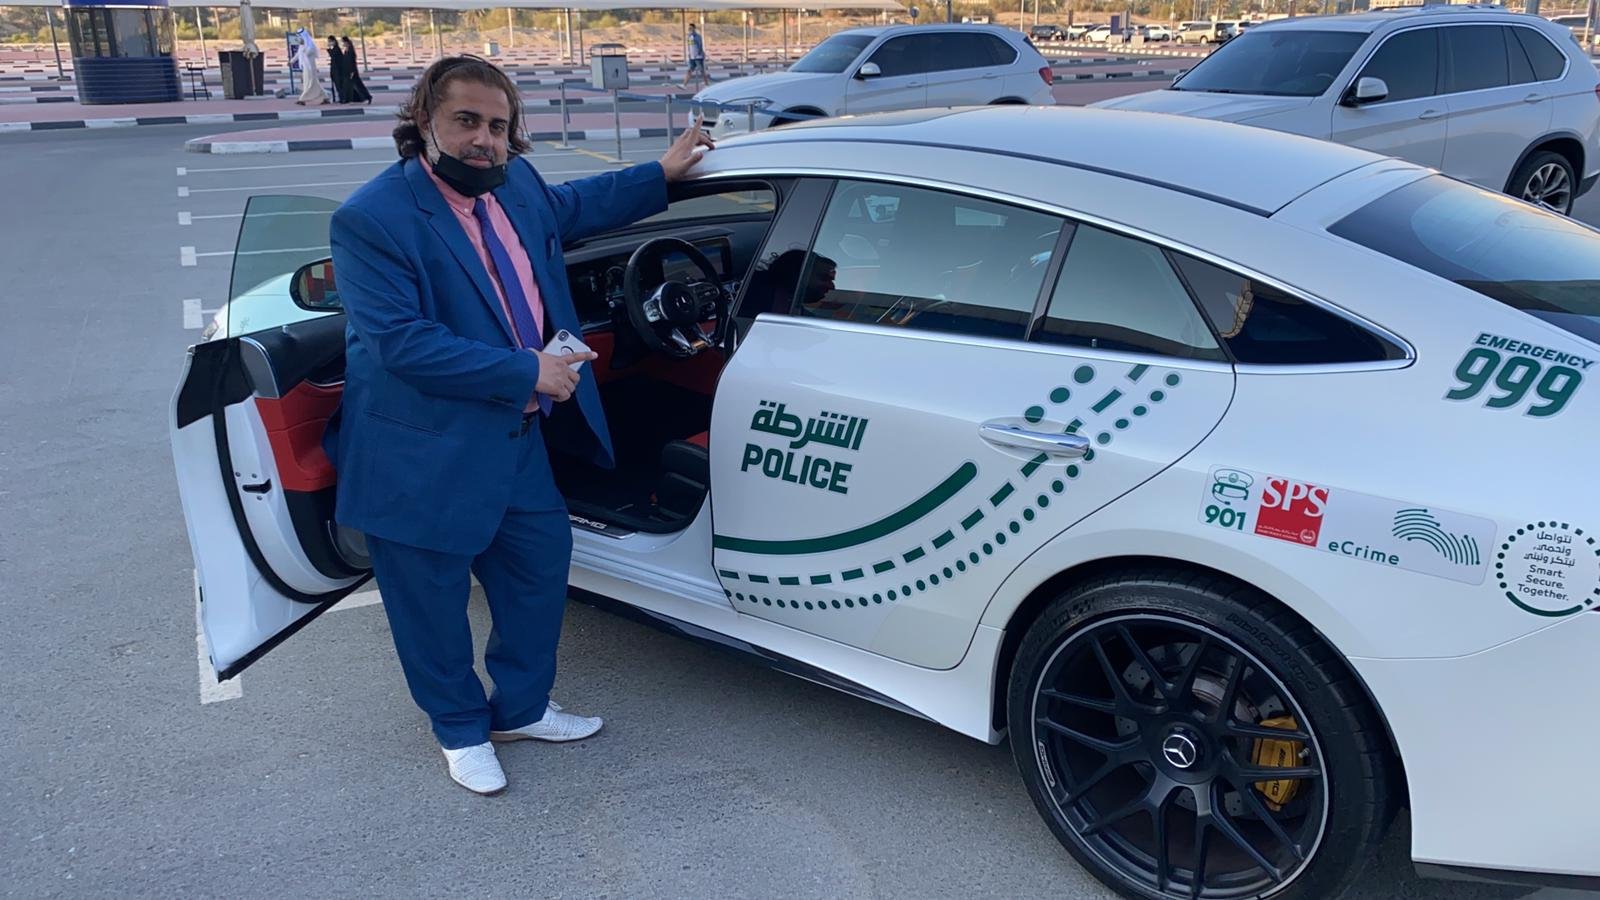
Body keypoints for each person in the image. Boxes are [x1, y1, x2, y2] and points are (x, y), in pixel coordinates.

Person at [323, 55, 714, 795]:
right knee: (431, 603)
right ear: (423, 121)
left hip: (515, 439)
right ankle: (459, 729)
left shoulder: (517, 184)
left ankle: (522, 709)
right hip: (420, 454)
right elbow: (401, 343)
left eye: (499, 126)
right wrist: (525, 370)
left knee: (537, 572)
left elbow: (574, 204)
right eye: (467, 121)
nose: (485, 140)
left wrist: (660, 174)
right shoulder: (372, 219)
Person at [292, 28, 327, 105]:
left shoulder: (311, 46)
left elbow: (307, 53)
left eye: (300, 38)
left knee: (310, 84)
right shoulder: (302, 46)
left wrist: (304, 47)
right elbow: (298, 54)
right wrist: (291, 61)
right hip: (305, 68)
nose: (299, 40)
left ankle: (302, 99)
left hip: (311, 68)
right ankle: (325, 97)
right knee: (313, 84)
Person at [340, 37, 373, 104]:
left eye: (343, 42)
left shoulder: (351, 51)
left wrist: (352, 72)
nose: (343, 44)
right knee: (348, 86)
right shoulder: (346, 50)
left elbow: (352, 62)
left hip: (352, 72)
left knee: (358, 85)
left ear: (347, 42)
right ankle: (348, 99)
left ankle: (368, 97)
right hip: (347, 71)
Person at [682, 23, 709, 90]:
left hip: (698, 57)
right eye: (689, 28)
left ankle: (706, 84)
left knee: (702, 71)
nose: (689, 29)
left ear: (694, 28)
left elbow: (700, 46)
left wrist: (699, 54)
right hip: (692, 58)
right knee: (689, 71)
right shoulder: (689, 37)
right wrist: (689, 54)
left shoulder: (698, 36)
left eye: (691, 28)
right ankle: (684, 85)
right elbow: (689, 46)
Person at [324, 36, 345, 104]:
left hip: (338, 70)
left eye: (330, 41)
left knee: (339, 85)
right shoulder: (334, 49)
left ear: (334, 41)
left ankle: (342, 98)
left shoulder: (337, 49)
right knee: (337, 85)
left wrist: (329, 49)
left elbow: (334, 56)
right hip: (335, 70)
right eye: (329, 41)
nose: (329, 43)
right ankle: (340, 98)